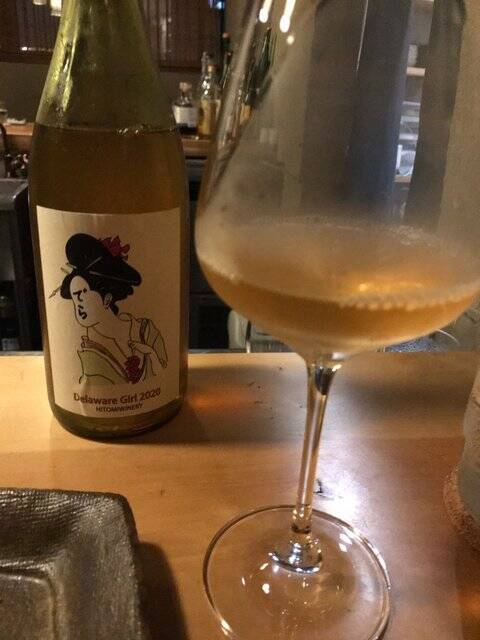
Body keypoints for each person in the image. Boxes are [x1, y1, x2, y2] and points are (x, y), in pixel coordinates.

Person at [58, 233, 167, 386]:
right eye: (75, 295)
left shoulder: (147, 331)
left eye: (84, 293)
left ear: (107, 299)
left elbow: (166, 375)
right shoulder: (90, 350)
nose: (79, 303)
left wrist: (152, 354)